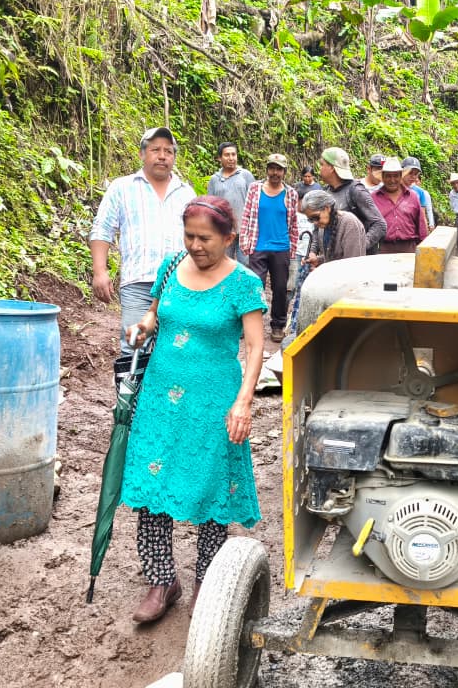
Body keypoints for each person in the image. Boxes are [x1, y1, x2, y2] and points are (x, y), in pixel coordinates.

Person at [121, 196, 266, 622]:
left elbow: (256, 345)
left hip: (212, 400)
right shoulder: (170, 267)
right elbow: (154, 315)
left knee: (209, 487)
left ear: (229, 238)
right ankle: (162, 580)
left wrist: (243, 402)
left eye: (205, 238)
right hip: (160, 396)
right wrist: (142, 327)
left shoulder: (242, 283)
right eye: (189, 236)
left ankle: (209, 579)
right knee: (152, 483)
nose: (195, 245)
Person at [90, 127, 197, 355]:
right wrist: (100, 271)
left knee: (175, 349)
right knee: (134, 346)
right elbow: (103, 229)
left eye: (168, 151)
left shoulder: (186, 193)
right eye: (155, 149)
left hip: (178, 285)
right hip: (138, 283)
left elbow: (198, 239)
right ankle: (130, 392)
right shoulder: (123, 187)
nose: (162, 155)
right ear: (141, 154)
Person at [238, 153, 300, 343]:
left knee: (280, 288)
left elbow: (294, 223)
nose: (275, 173)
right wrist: (245, 242)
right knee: (255, 286)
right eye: (272, 168)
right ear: (267, 169)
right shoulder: (255, 189)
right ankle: (250, 325)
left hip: (281, 247)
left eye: (279, 169)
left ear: (284, 172)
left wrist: (293, 248)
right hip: (258, 245)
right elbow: (247, 216)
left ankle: (278, 325)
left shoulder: (291, 194)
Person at [318, 147, 386, 254]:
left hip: (354, 263)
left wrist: (360, 245)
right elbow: (319, 225)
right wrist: (313, 251)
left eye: (322, 165)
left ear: (331, 168)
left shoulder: (356, 191)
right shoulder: (325, 192)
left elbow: (380, 224)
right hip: (333, 260)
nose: (320, 169)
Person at [206, 142, 256, 263]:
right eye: (227, 155)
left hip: (244, 230)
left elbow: (255, 201)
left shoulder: (245, 175)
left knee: (245, 264)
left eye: (233, 154)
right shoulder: (214, 179)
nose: (231, 158)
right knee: (224, 263)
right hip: (223, 230)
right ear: (219, 158)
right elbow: (210, 206)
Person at [373, 157, 429, 253]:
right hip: (383, 249)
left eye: (395, 176)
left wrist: (425, 248)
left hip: (409, 248)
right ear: (383, 177)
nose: (392, 180)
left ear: (400, 176)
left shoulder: (413, 197)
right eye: (388, 176)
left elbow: (421, 225)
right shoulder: (374, 198)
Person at [301, 190, 367, 267]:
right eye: (311, 219)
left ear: (327, 208)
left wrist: (322, 271)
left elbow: (352, 264)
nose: (315, 222)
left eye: (315, 217)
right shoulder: (324, 226)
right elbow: (332, 258)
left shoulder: (349, 223)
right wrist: (318, 261)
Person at [401, 157, 435, 230]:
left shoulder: (420, 192)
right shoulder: (393, 189)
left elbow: (422, 217)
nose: (413, 177)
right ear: (402, 172)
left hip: (412, 232)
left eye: (416, 174)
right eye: (410, 173)